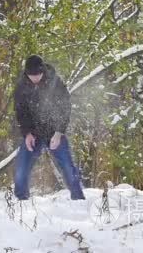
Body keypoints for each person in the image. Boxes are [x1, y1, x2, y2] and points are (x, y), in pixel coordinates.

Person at [13, 55, 85, 200]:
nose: (35, 78)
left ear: (43, 71)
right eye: (31, 75)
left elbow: (65, 108)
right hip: (33, 133)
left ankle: (78, 199)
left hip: (54, 131)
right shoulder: (21, 86)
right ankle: (21, 202)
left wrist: (58, 133)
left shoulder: (55, 82)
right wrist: (27, 134)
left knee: (68, 166)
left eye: (37, 75)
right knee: (21, 168)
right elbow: (21, 113)